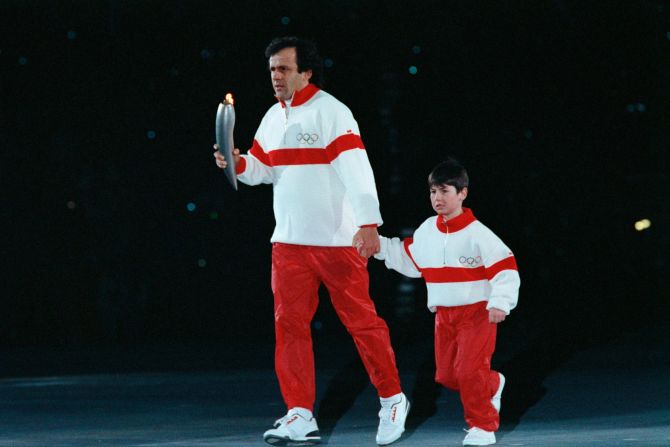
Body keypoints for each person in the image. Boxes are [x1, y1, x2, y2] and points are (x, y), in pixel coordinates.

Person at [213, 36, 409, 446]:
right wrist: (237, 162)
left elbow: (358, 170)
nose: (276, 77)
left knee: (362, 323)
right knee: (290, 328)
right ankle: (300, 414)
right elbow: (264, 169)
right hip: (288, 243)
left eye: (284, 69)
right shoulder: (272, 117)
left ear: (306, 72)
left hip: (338, 242)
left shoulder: (333, 113)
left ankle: (392, 398)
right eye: (272, 70)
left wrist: (369, 223)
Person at [372, 158, 520, 446]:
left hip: (477, 312)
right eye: (432, 192)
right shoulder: (428, 229)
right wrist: (377, 246)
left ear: (462, 193)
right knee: (448, 376)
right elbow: (410, 259)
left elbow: (506, 268)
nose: (437, 198)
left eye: (444, 191)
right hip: (444, 315)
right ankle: (492, 383)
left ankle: (483, 427)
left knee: (468, 372)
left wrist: (501, 302)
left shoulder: (479, 234)